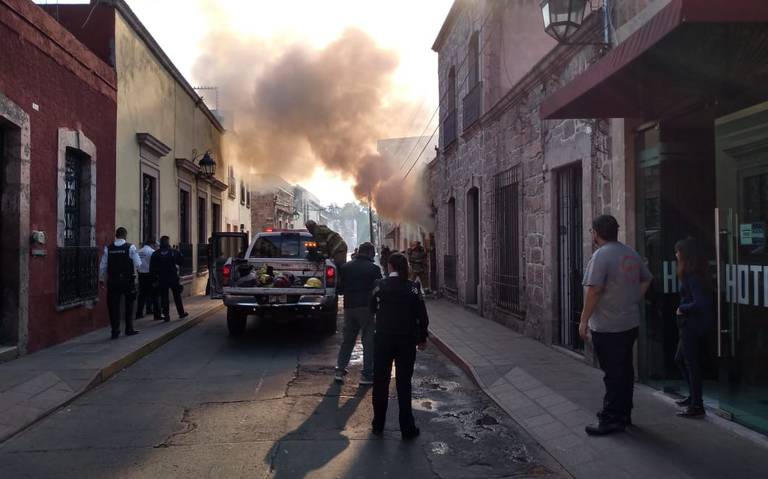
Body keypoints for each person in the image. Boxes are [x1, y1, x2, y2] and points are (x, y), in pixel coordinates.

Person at [579, 215, 652, 436]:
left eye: (592, 232)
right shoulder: (630, 252)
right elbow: (647, 278)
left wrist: (583, 321)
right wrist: (631, 299)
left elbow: (594, 290)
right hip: (629, 323)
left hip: (607, 326)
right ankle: (624, 414)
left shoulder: (601, 256)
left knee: (612, 373)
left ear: (595, 233)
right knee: (625, 370)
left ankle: (611, 418)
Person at [370, 252, 429, 440]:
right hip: (406, 340)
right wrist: (422, 338)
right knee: (404, 384)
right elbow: (422, 315)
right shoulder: (413, 288)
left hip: (383, 339)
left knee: (381, 381)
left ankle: (378, 425)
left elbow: (372, 307)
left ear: (390, 267)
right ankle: (407, 428)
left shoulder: (379, 286)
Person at [673, 237, 713, 418]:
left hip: (691, 325)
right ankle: (693, 397)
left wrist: (682, 308)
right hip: (688, 325)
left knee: (691, 364)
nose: (675, 254)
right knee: (681, 360)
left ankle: (697, 405)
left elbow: (701, 303)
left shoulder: (694, 276)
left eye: (678, 251)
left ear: (684, 254)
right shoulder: (690, 274)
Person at [334, 242, 382, 386]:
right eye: (373, 253)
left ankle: (339, 371)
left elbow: (340, 288)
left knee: (347, 340)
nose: (373, 256)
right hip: (366, 307)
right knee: (368, 341)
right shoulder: (374, 269)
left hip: (349, 308)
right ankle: (366, 375)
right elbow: (379, 289)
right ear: (368, 253)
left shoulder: (345, 267)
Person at [99, 227, 142, 339]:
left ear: (116, 235)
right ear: (125, 235)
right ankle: (129, 328)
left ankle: (115, 330)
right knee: (129, 305)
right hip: (127, 281)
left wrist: (101, 280)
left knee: (113, 306)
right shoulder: (130, 247)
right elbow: (138, 264)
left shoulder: (108, 248)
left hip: (113, 281)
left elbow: (103, 266)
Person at [150, 236, 188, 322]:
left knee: (164, 297)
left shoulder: (156, 253)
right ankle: (181, 313)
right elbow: (181, 262)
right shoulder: (173, 252)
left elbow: (152, 268)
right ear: (168, 242)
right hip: (173, 278)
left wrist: (154, 280)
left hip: (161, 278)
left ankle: (166, 316)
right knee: (177, 296)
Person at [136, 238, 158, 319]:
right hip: (150, 275)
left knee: (141, 295)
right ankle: (154, 313)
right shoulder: (152, 252)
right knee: (153, 294)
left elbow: (137, 264)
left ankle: (139, 313)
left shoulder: (139, 251)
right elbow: (155, 264)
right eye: (154, 245)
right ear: (152, 244)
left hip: (141, 275)